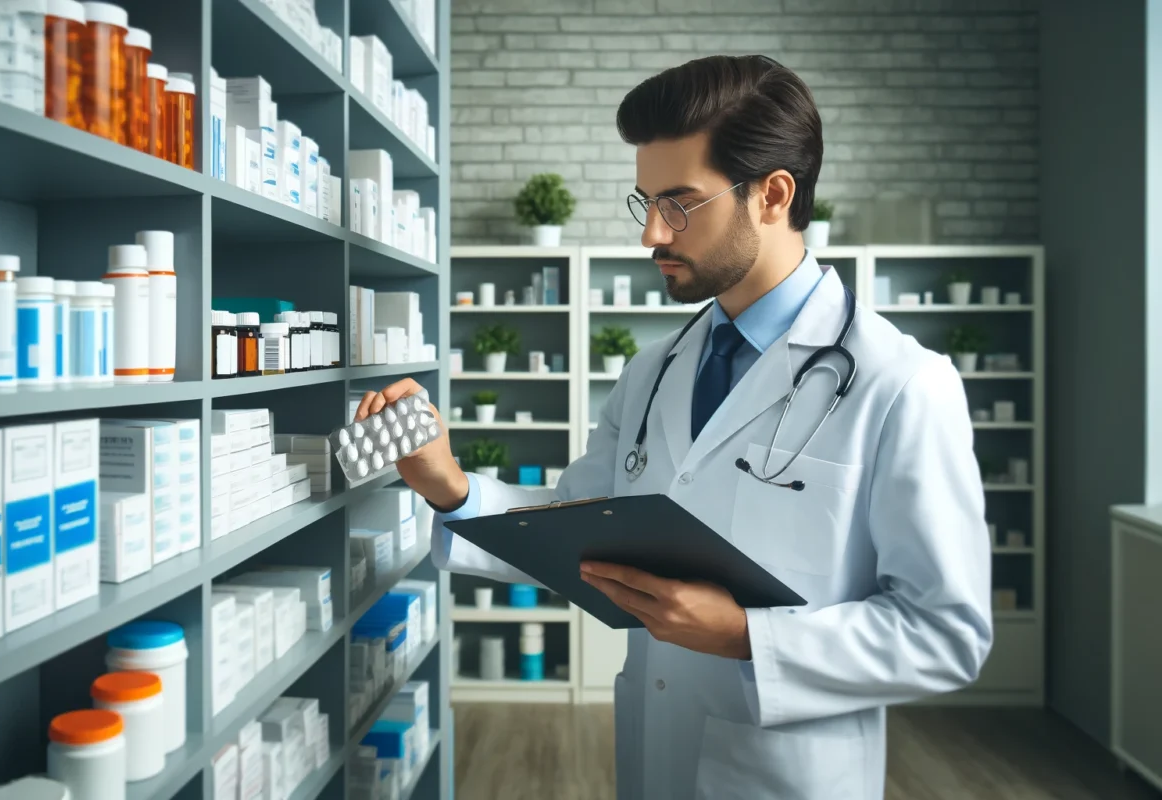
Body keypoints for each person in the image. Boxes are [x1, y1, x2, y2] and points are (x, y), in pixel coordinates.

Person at [354, 54, 993, 799]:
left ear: (772, 195)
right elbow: (572, 530)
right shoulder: (655, 370)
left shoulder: (903, 383)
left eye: (680, 203)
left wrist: (748, 637)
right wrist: (450, 486)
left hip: (786, 774)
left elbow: (945, 633)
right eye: (646, 201)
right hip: (656, 758)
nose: (652, 233)